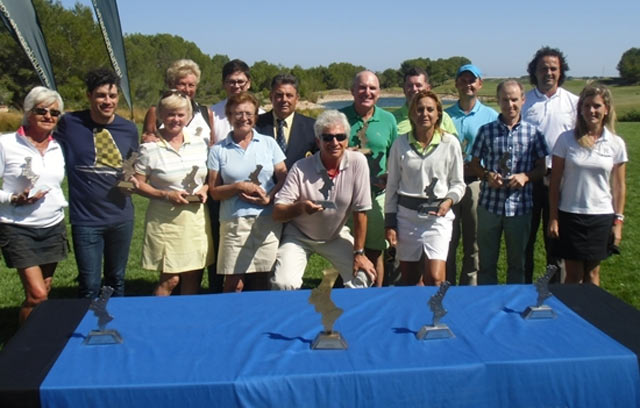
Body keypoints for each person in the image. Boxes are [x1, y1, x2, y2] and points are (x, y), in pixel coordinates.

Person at [54, 68, 139, 299]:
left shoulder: (129, 129)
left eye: (112, 96)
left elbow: (131, 163)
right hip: (86, 220)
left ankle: (117, 328)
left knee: (116, 280)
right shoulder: (69, 123)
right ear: (89, 95)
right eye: (101, 95)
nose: (107, 101)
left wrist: (130, 177)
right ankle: (87, 330)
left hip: (121, 217)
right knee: (90, 284)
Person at [270, 110, 376, 290]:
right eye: (327, 138)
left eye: (340, 137)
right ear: (318, 141)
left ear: (347, 140)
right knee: (283, 284)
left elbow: (361, 211)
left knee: (363, 277)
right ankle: (292, 317)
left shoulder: (358, 162)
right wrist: (300, 208)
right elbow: (278, 212)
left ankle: (347, 315)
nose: (334, 142)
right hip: (299, 236)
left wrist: (359, 253)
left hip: (335, 234)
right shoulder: (300, 168)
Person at [134, 91, 213, 296]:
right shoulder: (149, 148)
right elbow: (137, 184)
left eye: (180, 114)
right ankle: (156, 321)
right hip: (165, 222)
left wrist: (205, 189)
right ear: (160, 115)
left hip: (195, 220)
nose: (175, 119)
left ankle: (187, 323)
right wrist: (165, 195)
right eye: (170, 114)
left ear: (187, 116)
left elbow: (208, 178)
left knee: (193, 277)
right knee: (170, 280)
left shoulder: (200, 143)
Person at [470, 80, 549, 284]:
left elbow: (542, 168)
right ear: (498, 101)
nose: (510, 104)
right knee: (486, 264)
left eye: (514, 99)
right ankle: (489, 303)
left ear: (523, 100)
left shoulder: (534, 133)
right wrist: (487, 175)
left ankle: (513, 305)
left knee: (518, 264)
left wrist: (526, 176)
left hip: (520, 208)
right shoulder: (486, 131)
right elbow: (475, 164)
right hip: (490, 206)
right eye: (505, 100)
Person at [0, 87, 68, 323]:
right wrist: (12, 198)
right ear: (29, 112)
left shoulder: (58, 147)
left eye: (55, 113)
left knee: (44, 290)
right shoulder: (6, 143)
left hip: (52, 226)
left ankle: (36, 338)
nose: (48, 116)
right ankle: (24, 349)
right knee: (37, 295)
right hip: (18, 227)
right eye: (42, 110)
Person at [548, 84, 626, 286]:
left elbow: (619, 186)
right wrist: (554, 217)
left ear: (606, 109)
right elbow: (555, 181)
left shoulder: (616, 144)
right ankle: (570, 315)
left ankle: (591, 316)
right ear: (580, 109)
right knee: (573, 276)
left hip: (601, 217)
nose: (592, 111)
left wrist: (618, 222)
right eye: (587, 105)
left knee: (592, 275)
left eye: (597, 106)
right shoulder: (566, 140)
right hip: (570, 215)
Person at [208, 92, 286, 292]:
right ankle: (230, 320)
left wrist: (270, 197)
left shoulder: (269, 143)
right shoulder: (218, 150)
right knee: (234, 282)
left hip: (267, 220)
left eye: (248, 113)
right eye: (238, 113)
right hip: (234, 222)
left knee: (262, 279)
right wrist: (238, 187)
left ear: (255, 116)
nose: (244, 118)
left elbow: (283, 177)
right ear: (229, 115)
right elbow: (215, 191)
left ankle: (261, 322)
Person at [385, 90, 465, 286]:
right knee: (410, 279)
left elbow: (458, 183)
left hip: (437, 219)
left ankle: (437, 315)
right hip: (407, 218)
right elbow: (392, 185)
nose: (425, 114)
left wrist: (449, 200)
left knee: (435, 278)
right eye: (419, 109)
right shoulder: (400, 144)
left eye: (430, 109)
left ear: (439, 113)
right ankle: (415, 315)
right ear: (412, 113)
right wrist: (390, 223)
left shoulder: (450, 143)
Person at [522, 47, 579, 283]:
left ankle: (555, 291)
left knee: (555, 240)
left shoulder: (573, 103)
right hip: (529, 180)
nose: (548, 72)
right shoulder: (524, 102)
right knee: (525, 240)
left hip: (562, 182)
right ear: (534, 71)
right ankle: (522, 287)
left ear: (560, 71)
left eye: (553, 68)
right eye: (543, 68)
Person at [339, 70, 396, 286]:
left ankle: (376, 298)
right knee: (346, 251)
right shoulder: (341, 118)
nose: (367, 92)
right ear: (352, 91)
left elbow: (395, 157)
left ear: (379, 93)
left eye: (372, 88)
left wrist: (391, 177)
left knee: (375, 251)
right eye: (362, 87)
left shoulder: (388, 120)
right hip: (345, 197)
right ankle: (348, 295)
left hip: (377, 196)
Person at [444, 64, 499, 286]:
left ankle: (470, 288)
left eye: (472, 80)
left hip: (477, 184)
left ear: (479, 84)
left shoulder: (490, 116)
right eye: (463, 80)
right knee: (448, 239)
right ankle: (445, 287)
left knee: (473, 240)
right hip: (449, 184)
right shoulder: (445, 115)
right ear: (457, 84)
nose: (468, 84)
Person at [142, 59, 214, 144]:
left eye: (191, 85)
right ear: (171, 84)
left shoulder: (206, 113)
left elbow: (212, 143)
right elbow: (146, 143)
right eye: (182, 84)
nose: (187, 89)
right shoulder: (155, 112)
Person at [255, 73, 317, 170]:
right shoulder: (256, 124)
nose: (284, 100)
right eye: (279, 95)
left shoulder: (312, 127)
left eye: (289, 95)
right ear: (271, 97)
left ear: (297, 98)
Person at [393, 67, 458, 136]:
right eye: (410, 85)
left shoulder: (443, 117)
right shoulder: (392, 120)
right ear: (404, 89)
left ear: (428, 88)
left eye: (418, 85)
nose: (414, 89)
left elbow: (454, 144)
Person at [211, 59, 264, 143]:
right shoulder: (212, 115)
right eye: (231, 82)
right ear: (223, 84)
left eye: (240, 81)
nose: (236, 86)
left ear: (249, 83)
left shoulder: (261, 115)